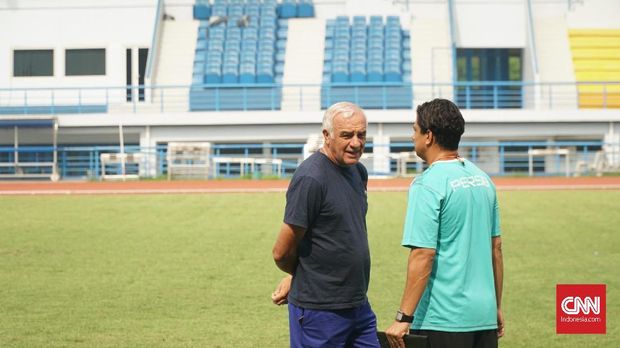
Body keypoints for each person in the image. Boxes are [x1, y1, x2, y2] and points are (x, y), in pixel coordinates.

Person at [385, 99, 504, 348]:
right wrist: (496, 306)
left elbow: (423, 254)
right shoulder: (483, 179)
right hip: (484, 317)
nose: (412, 137)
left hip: (442, 320)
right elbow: (496, 249)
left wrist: (403, 317)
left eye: (414, 130)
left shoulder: (427, 184)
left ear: (428, 136)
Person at [271, 102, 380, 348]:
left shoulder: (358, 171)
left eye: (361, 134)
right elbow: (281, 252)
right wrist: (299, 276)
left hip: (357, 304)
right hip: (319, 312)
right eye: (346, 135)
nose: (356, 142)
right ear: (326, 136)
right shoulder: (311, 178)